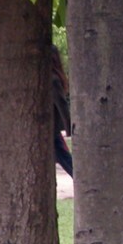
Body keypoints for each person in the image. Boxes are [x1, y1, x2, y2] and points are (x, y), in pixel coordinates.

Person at [50, 45, 73, 178]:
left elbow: (62, 104)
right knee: (65, 159)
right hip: (51, 129)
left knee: (66, 160)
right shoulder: (53, 78)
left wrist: (69, 128)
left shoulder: (53, 79)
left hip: (52, 129)